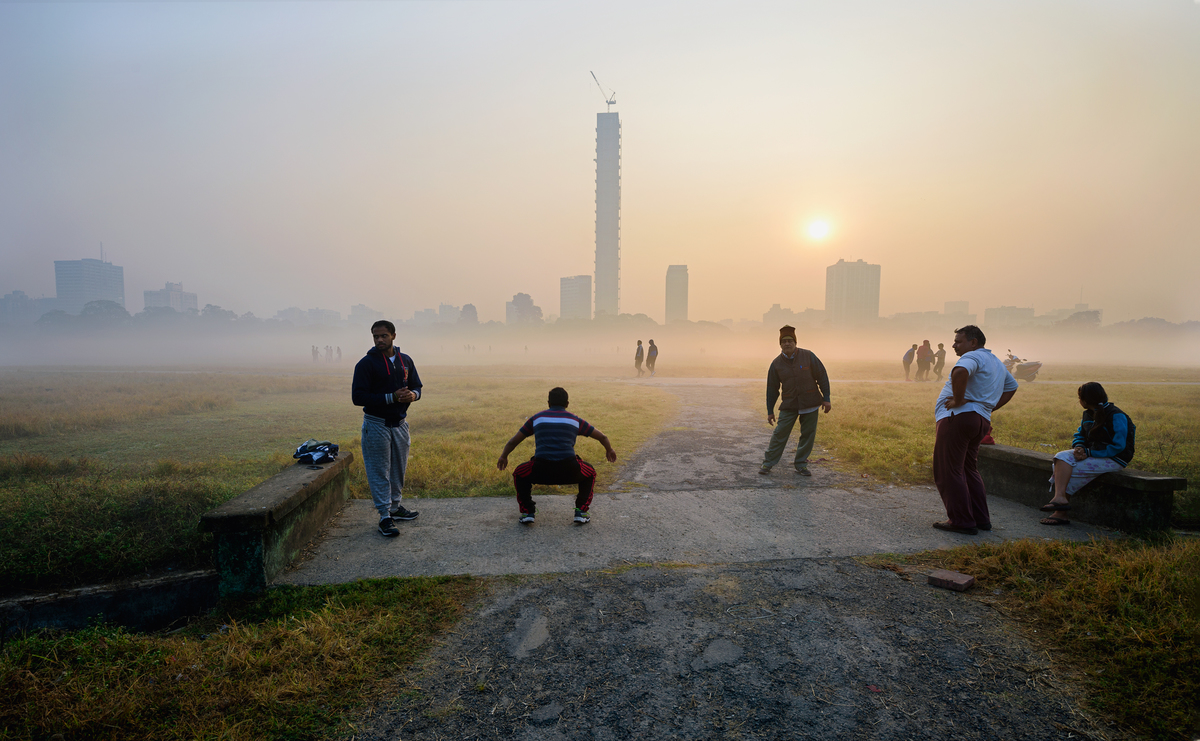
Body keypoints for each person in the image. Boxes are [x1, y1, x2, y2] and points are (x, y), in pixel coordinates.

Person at [932, 325, 1018, 535]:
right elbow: (1012, 386)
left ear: (973, 342)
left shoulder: (973, 357)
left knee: (949, 470)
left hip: (958, 419)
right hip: (979, 420)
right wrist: (988, 407)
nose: (954, 345)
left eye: (959, 341)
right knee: (969, 469)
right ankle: (980, 519)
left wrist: (959, 400)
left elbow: (960, 372)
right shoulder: (996, 362)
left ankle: (961, 520)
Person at [496, 387, 617, 525]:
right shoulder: (575, 420)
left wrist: (503, 456)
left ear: (548, 403)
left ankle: (527, 512)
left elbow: (513, 441)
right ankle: (581, 511)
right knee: (590, 473)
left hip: (540, 470)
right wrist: (609, 449)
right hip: (570, 470)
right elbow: (602, 436)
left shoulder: (537, 419)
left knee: (519, 473)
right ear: (567, 403)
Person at [352, 320, 423, 537]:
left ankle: (395, 507)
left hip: (400, 424)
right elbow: (358, 397)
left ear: (393, 335)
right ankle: (385, 516)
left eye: (384, 336)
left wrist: (413, 395)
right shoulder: (366, 364)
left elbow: (417, 386)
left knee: (398, 469)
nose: (380, 340)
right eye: (376, 336)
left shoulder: (405, 360)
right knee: (378, 471)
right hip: (376, 424)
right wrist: (391, 397)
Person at [1039, 382, 1135, 526]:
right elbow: (1080, 433)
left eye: (1079, 398)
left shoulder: (1116, 415)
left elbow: (1118, 447)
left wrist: (1089, 452)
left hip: (1115, 458)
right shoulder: (1089, 414)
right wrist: (1079, 447)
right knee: (1061, 457)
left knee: (1070, 471)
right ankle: (1059, 498)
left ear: (1084, 400)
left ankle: (1061, 513)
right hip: (1093, 453)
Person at [760, 325, 832, 476]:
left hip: (811, 403)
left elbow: (822, 377)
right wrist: (769, 411)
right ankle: (768, 463)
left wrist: (826, 399)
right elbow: (772, 389)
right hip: (789, 404)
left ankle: (801, 464)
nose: (787, 344)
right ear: (780, 344)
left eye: (790, 341)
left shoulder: (808, 356)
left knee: (808, 434)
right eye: (784, 341)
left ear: (795, 342)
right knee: (779, 434)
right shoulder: (776, 364)